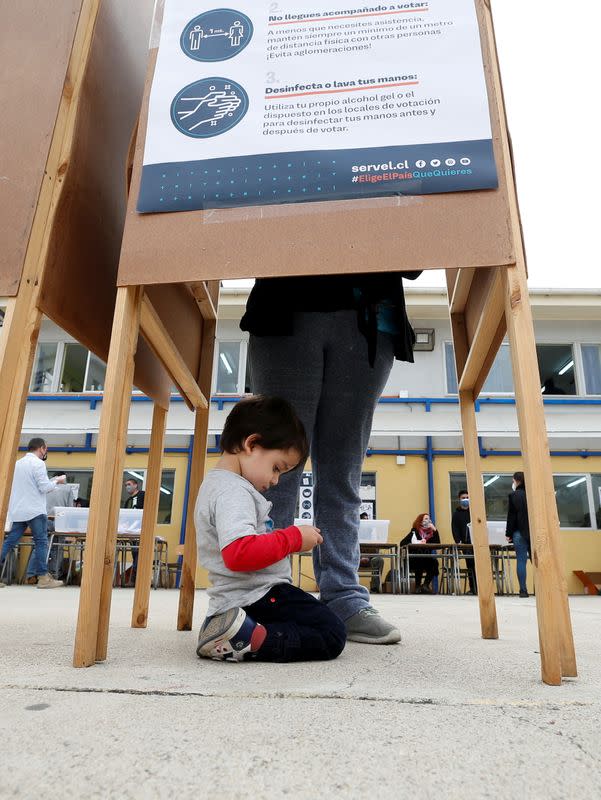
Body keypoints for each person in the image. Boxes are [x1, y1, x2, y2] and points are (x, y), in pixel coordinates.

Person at [241, 271, 421, 644]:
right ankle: (263, 591)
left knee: (343, 471)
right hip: (285, 304)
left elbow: (415, 247)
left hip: (367, 314)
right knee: (274, 469)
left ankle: (343, 595)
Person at [195, 395, 347, 662]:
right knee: (331, 631)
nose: (276, 480)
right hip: (258, 597)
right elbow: (238, 553)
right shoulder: (234, 492)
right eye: (277, 468)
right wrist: (294, 538)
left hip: (239, 599)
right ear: (251, 444)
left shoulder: (219, 486)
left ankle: (237, 629)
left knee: (311, 619)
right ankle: (249, 639)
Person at [0, 438, 66, 589]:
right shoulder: (38, 463)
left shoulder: (17, 463)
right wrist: (57, 481)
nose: (46, 452)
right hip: (35, 510)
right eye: (46, 449)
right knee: (41, 541)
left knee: (9, 542)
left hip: (18, 510)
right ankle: (43, 577)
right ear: (42, 448)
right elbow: (44, 488)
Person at [400, 513, 441, 593]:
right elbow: (402, 543)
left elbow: (438, 544)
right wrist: (417, 543)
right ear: (420, 521)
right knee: (419, 560)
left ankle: (425, 585)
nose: (428, 520)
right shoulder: (414, 531)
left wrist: (435, 530)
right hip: (413, 559)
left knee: (434, 562)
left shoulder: (431, 533)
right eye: (425, 519)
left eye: (429, 519)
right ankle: (417, 586)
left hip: (426, 558)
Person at [506, 471, 531, 597]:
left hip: (519, 533)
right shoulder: (533, 494)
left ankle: (523, 590)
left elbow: (511, 517)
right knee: (539, 561)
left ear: (516, 480)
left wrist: (508, 533)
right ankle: (543, 589)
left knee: (521, 561)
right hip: (535, 532)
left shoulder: (514, 495)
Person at [451, 489, 477, 595]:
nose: (465, 499)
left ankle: (482, 588)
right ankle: (473, 588)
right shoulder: (456, 514)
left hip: (476, 543)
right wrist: (458, 541)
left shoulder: (474, 512)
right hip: (465, 544)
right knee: (470, 566)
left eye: (467, 497)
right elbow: (454, 529)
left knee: (479, 566)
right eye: (463, 498)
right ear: (459, 499)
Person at [123, 477, 145, 582]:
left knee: (140, 553)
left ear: (135, 485)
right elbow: (126, 517)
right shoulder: (128, 501)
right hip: (131, 532)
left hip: (141, 530)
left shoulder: (142, 495)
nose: (127, 487)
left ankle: (136, 577)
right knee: (135, 553)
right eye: (126, 485)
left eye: (129, 484)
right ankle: (135, 578)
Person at [358, 512, 385, 593]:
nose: (366, 522)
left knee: (379, 559)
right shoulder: (354, 532)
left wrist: (368, 557)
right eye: (363, 520)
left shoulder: (372, 533)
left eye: (367, 520)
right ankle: (351, 588)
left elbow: (376, 549)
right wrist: (360, 557)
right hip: (356, 559)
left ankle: (374, 587)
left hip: (370, 558)